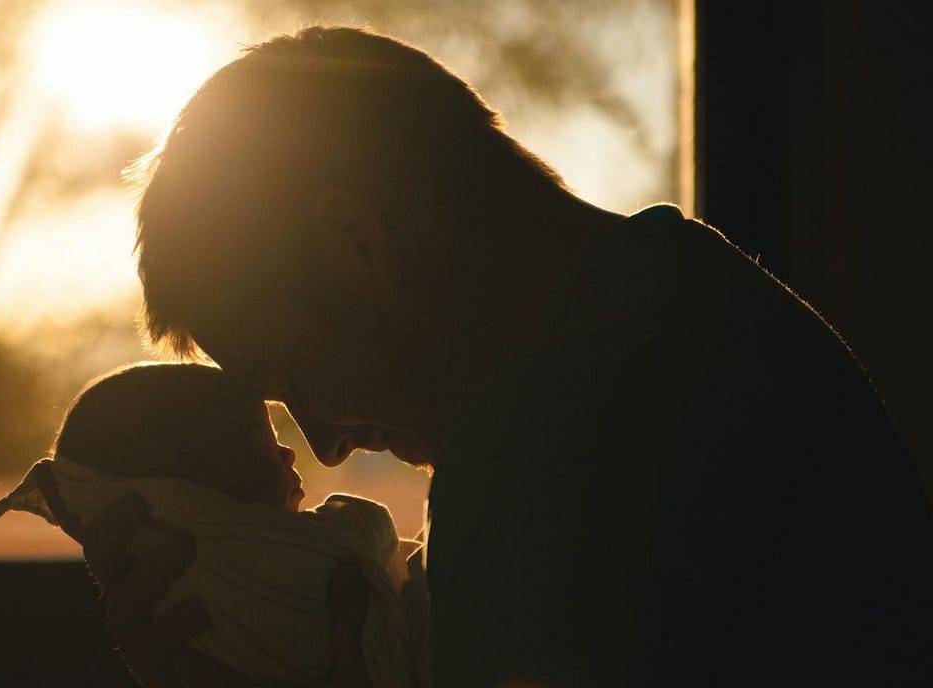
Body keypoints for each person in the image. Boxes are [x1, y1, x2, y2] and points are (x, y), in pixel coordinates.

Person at [45, 25, 933, 687]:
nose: (324, 448)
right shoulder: (699, 300)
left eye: (296, 380)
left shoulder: (544, 455)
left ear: (356, 242)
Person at [0, 362, 430, 687]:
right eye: (262, 450)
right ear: (191, 501)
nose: (307, 450)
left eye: (307, 377)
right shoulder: (255, 569)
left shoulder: (178, 617)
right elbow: (368, 537)